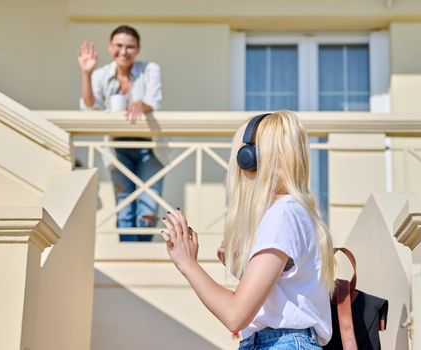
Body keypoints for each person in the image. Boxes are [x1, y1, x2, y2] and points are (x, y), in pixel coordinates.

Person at [160, 111, 335, 349]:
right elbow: (283, 298)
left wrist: (187, 264)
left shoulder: (282, 214)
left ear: (248, 159)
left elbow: (235, 315)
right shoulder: (292, 212)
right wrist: (243, 270)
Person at [77, 25, 163, 241]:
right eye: (118, 46)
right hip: (118, 148)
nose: (123, 52)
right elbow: (88, 106)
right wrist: (86, 73)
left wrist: (141, 104)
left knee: (148, 211)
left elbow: (154, 101)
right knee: (124, 209)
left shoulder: (150, 69)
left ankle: (142, 259)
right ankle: (130, 255)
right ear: (110, 46)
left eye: (130, 47)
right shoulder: (101, 74)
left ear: (138, 49)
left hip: (149, 148)